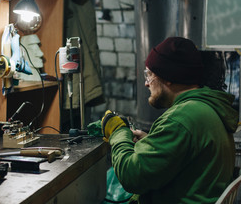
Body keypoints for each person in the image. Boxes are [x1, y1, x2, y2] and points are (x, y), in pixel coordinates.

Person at [101, 37, 239, 203]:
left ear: (168, 76)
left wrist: (118, 132)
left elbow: (131, 176)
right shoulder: (208, 109)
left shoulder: (181, 119)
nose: (146, 83)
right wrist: (153, 141)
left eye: (150, 74)